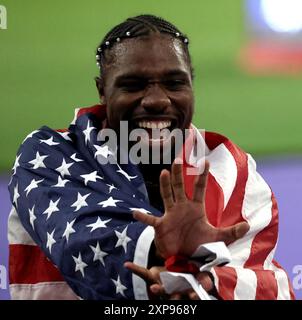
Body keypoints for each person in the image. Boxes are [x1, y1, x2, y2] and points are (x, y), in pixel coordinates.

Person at [8, 14, 294, 300]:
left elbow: (262, 283)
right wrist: (157, 249)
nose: (157, 100)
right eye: (133, 85)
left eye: (174, 83)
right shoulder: (50, 155)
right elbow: (79, 243)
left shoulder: (229, 168)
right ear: (102, 91)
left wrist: (202, 287)